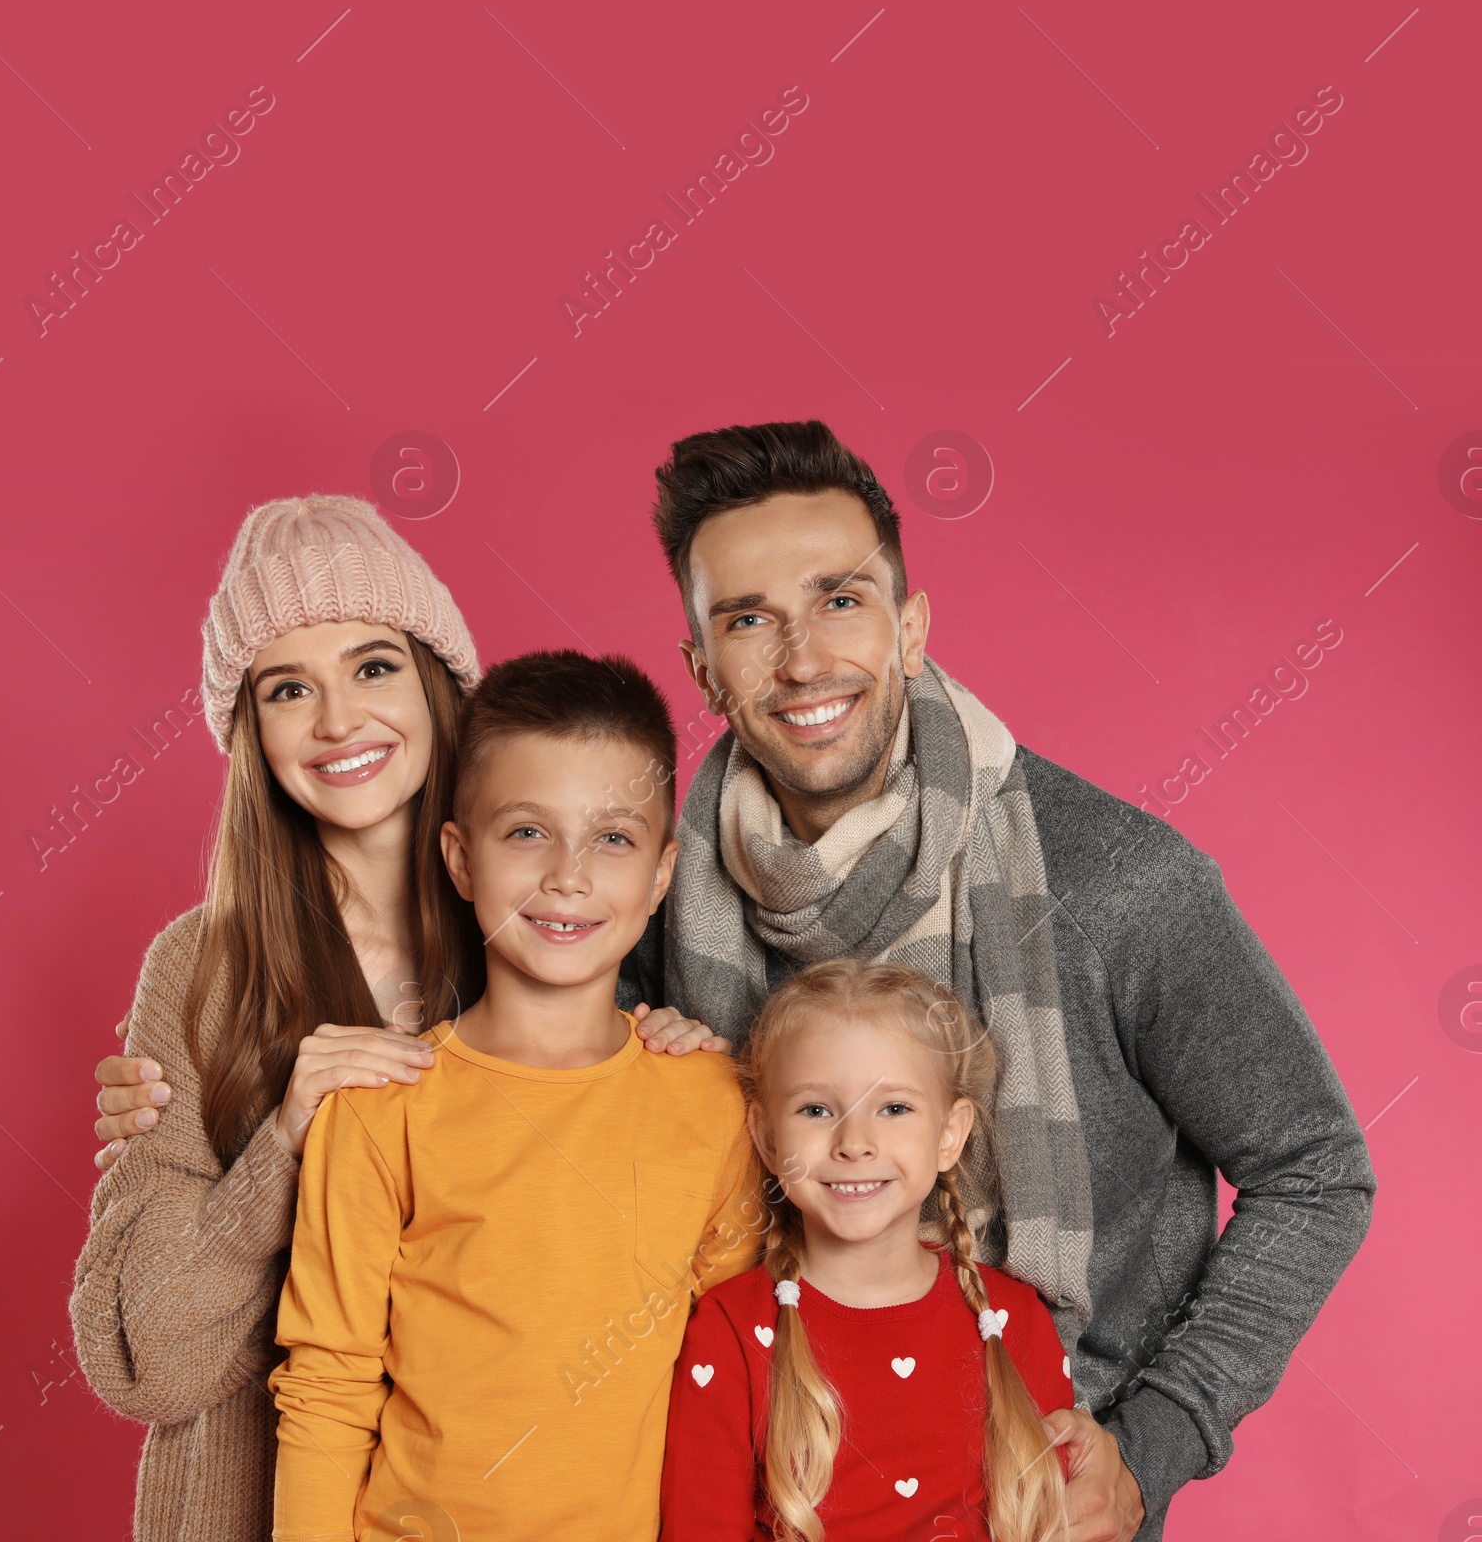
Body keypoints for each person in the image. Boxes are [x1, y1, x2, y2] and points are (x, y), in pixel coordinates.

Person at [622, 421, 1377, 1541]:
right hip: (770, 1477)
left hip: (1042, 1491)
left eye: (840, 599)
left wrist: (1152, 1439)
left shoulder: (1114, 885)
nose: (800, 659)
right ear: (701, 667)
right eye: (747, 619)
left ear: (911, 626)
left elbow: (1316, 1171)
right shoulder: (654, 899)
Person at [70, 496, 720, 1542]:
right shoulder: (202, 971)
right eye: (289, 687)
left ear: (438, 683)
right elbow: (145, 1360)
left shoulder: (559, 922)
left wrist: (689, 1048)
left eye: (373, 666)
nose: (337, 721)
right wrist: (281, 1144)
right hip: (240, 1510)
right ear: (250, 730)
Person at [269, 651, 758, 1542]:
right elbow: (327, 1391)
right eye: (527, 832)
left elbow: (734, 1381)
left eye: (613, 837)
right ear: (460, 858)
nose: (568, 874)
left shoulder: (713, 1105)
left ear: (660, 875)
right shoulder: (380, 1107)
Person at [661, 959, 1072, 1542]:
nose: (854, 1143)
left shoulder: (1013, 1322)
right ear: (768, 1138)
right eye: (816, 1110)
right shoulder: (730, 1330)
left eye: (894, 1109)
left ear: (949, 1135)